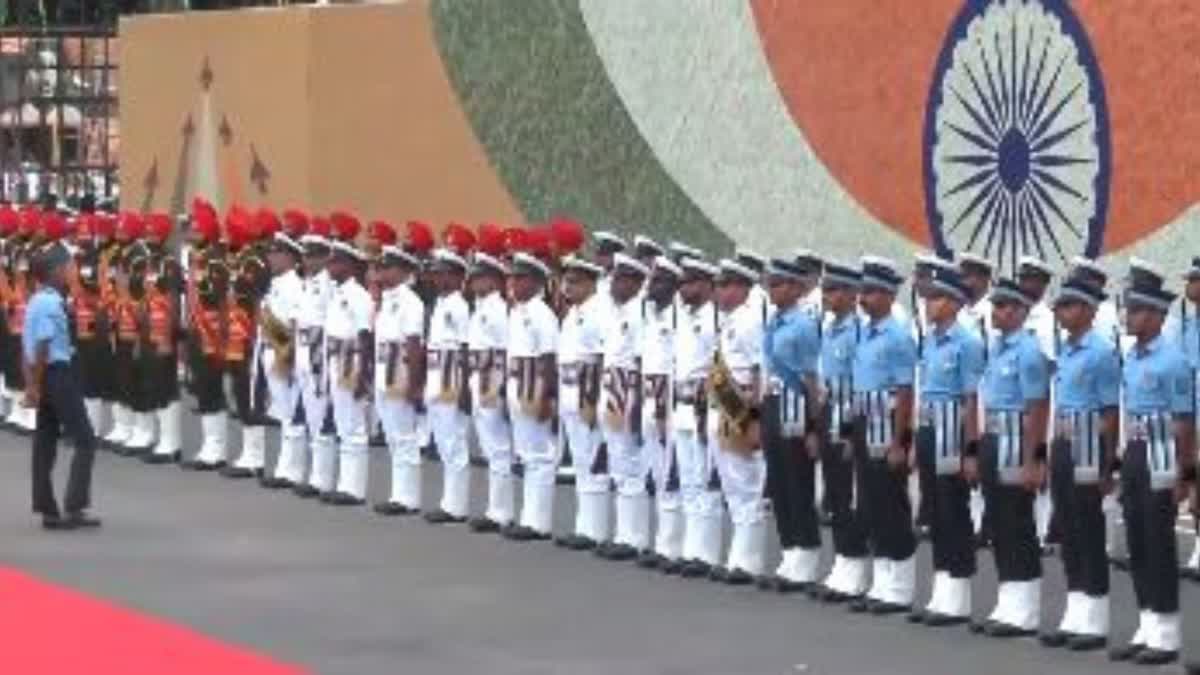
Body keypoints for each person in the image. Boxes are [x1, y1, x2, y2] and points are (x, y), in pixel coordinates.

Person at [1109, 266, 1195, 666]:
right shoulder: (1130, 356)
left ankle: (1166, 633)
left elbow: (1183, 422)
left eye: (1138, 311)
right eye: (1128, 309)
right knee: (1137, 544)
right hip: (1136, 452)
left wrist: (1185, 473)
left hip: (1163, 453)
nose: (1129, 316)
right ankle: (1146, 623)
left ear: (1158, 316)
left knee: (1159, 544)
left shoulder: (1173, 362)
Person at [1039, 275, 1118, 652]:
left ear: (1087, 309)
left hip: (1089, 447)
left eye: (1068, 306)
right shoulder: (1065, 351)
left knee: (1088, 530)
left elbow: (1110, 413)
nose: (1060, 312)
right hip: (1064, 444)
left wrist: (1106, 465)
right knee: (1068, 530)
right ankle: (1075, 610)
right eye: (1059, 306)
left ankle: (1096, 618)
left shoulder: (1101, 353)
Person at [973, 277, 1050, 638]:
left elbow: (1037, 407)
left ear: (1022, 310)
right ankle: (1008, 597)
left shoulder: (1029, 352)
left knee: (1018, 522)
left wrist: (1034, 459)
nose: (997, 313)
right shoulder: (997, 347)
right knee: (999, 522)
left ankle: (1026, 605)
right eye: (995, 306)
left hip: (1016, 442)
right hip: (993, 438)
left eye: (1005, 307)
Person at [908, 265, 983, 627]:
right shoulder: (931, 339)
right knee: (934, 508)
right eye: (928, 298)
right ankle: (942, 584)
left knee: (953, 508)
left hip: (953, 429)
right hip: (928, 427)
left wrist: (971, 450)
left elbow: (971, 398)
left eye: (937, 298)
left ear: (955, 303)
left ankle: (959, 587)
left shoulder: (967, 343)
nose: (929, 304)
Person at [848, 256, 917, 613]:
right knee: (870, 502)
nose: (864, 297)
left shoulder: (897, 336)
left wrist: (899, 441)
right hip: (863, 422)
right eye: (863, 290)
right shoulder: (863, 332)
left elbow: (905, 391)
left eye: (873, 292)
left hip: (886, 424)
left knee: (891, 502)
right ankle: (881, 578)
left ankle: (900, 583)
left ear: (890, 296)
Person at [758, 257, 822, 592]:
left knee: (798, 479)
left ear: (797, 288)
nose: (773, 289)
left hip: (797, 405)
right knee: (779, 480)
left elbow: (812, 378)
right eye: (771, 283)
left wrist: (814, 426)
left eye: (780, 284)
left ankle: (807, 553)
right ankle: (790, 549)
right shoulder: (774, 321)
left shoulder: (804, 325)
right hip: (772, 401)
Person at [26, 241, 101, 530]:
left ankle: (48, 509)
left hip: (46, 374)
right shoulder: (50, 303)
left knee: (45, 442)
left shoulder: (36, 300)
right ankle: (74, 505)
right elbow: (44, 344)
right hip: (57, 374)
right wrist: (36, 385)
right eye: (70, 265)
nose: (74, 270)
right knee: (84, 438)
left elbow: (27, 347)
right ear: (56, 271)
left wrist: (33, 381)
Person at [706, 257, 768, 585]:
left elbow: (759, 370)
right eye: (718, 285)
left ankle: (749, 560)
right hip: (727, 406)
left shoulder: (749, 321)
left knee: (747, 485)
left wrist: (755, 419)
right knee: (733, 486)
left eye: (726, 285)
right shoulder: (730, 320)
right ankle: (738, 557)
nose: (719, 291)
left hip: (742, 407)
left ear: (743, 287)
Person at [811, 261, 869, 601]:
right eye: (825, 290)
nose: (827, 297)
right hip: (831, 410)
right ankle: (842, 560)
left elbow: (862, 385)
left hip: (852, 415)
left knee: (850, 494)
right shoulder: (829, 328)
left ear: (850, 294)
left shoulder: (858, 331)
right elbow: (823, 382)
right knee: (835, 492)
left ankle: (855, 566)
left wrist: (849, 433)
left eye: (834, 290)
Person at [552, 254, 610, 550]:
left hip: (587, 391)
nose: (567, 287)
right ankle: (584, 526)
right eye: (566, 281)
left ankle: (594, 530)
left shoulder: (598, 311)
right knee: (580, 461)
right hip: (569, 389)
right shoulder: (574, 312)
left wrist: (594, 399)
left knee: (592, 463)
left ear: (590, 282)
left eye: (574, 281)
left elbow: (600, 359)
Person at [501, 252, 559, 541]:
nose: (514, 283)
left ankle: (538, 522)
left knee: (539, 456)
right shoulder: (517, 311)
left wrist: (548, 397)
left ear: (538, 283)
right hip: (517, 385)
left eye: (521, 278)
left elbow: (548, 358)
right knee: (525, 455)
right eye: (513, 277)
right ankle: (527, 517)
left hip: (534, 386)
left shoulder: (541, 313)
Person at [594, 253, 648, 561]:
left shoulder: (638, 313)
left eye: (622, 278)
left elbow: (639, 362)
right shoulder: (616, 312)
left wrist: (638, 403)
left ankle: (634, 537)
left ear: (637, 282)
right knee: (618, 464)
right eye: (614, 277)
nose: (614, 283)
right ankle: (623, 533)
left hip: (627, 391)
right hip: (611, 388)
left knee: (630, 464)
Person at [673, 257, 721, 578]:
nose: (684, 288)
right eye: (683, 282)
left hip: (704, 406)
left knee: (707, 483)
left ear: (706, 284)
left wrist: (709, 413)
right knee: (689, 481)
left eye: (690, 282)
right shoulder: (685, 317)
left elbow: (717, 369)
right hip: (681, 404)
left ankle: (708, 554)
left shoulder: (715, 318)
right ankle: (691, 550)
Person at [372, 239, 427, 516]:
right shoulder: (387, 299)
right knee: (393, 437)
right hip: (384, 372)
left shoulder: (410, 302)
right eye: (382, 267)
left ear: (405, 271)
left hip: (400, 372)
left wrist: (414, 384)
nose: (383, 272)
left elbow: (414, 345)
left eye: (390, 267)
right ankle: (398, 494)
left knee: (405, 436)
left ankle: (409, 497)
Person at [422, 246, 472, 524]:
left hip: (452, 379)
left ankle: (456, 505)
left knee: (454, 444)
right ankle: (449, 500)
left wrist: (464, 389)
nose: (437, 279)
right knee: (443, 443)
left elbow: (464, 350)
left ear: (456, 276)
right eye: (436, 274)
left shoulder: (459, 306)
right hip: (437, 376)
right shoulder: (441, 304)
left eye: (444, 275)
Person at [464, 249, 512, 531]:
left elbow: (503, 351)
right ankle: (495, 508)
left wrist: (501, 390)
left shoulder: (496, 310)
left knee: (498, 448)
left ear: (494, 280)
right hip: (478, 378)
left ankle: (500, 511)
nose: (474, 282)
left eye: (480, 277)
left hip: (491, 379)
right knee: (490, 447)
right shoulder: (481, 307)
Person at [639, 256, 682, 569]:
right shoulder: (651, 316)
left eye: (658, 281)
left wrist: (668, 411)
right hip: (648, 397)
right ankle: (661, 541)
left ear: (672, 286)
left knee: (671, 476)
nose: (651, 286)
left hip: (669, 401)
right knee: (655, 472)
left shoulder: (677, 319)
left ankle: (671, 546)